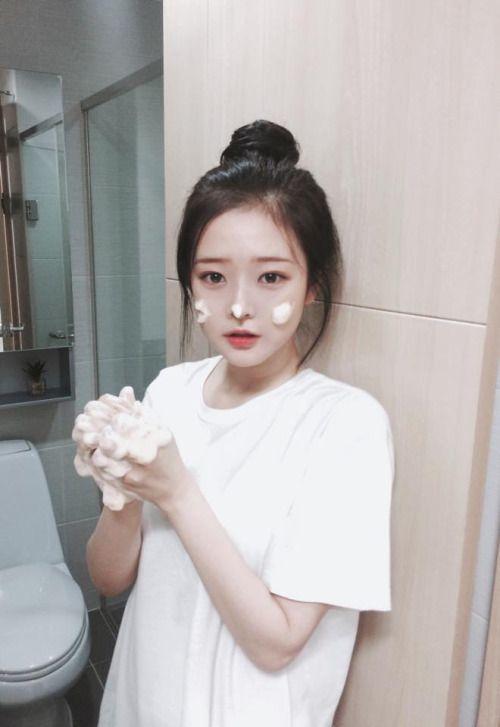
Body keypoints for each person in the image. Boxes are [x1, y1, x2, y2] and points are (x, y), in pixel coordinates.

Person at [88, 119, 395, 727]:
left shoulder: (346, 426)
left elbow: (277, 642)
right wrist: (119, 493)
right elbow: (108, 579)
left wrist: (175, 491)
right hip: (142, 702)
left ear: (313, 285)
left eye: (271, 277)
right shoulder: (169, 392)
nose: (237, 306)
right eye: (213, 277)